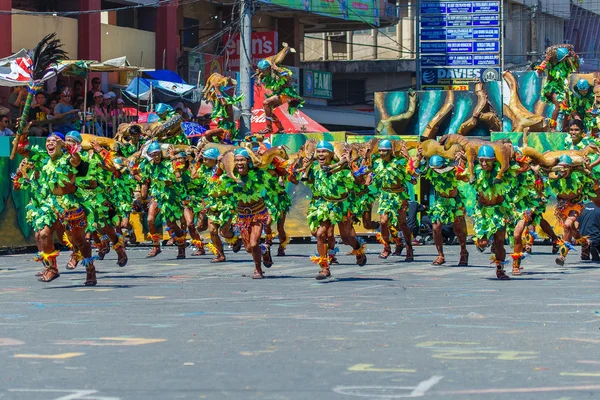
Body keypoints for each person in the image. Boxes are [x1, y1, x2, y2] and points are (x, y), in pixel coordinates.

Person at [424, 154, 469, 266]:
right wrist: (419, 156)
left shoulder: (452, 172)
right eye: (434, 169)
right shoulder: (431, 173)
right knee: (436, 227)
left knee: (458, 229)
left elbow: (465, 177)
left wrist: (462, 160)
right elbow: (414, 172)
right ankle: (440, 255)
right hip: (440, 202)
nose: (436, 171)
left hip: (454, 202)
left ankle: (463, 251)